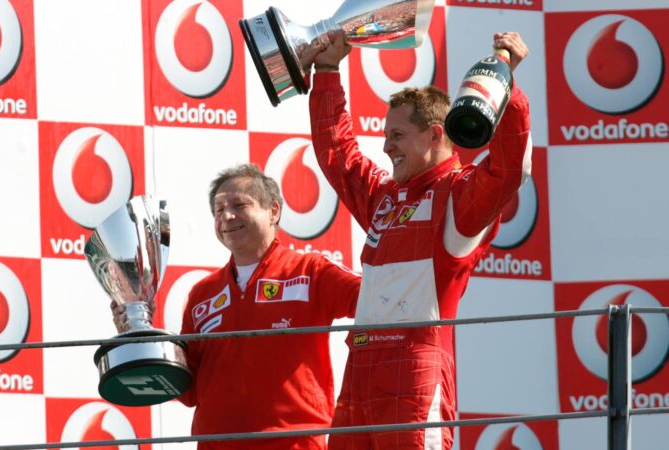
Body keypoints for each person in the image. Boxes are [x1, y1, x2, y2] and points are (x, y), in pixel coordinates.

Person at [307, 32, 532, 449]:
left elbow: (506, 170)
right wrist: (326, 71)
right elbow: (338, 154)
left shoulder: (459, 196)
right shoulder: (384, 197)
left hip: (415, 370)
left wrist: (504, 84)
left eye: (397, 136)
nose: (385, 146)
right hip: (359, 371)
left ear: (433, 135)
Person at [112, 164, 361, 450]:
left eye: (240, 205)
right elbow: (189, 389)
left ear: (273, 211)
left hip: (294, 444)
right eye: (218, 210)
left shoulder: (311, 271)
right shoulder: (202, 294)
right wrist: (140, 337)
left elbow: (378, 299)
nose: (227, 216)